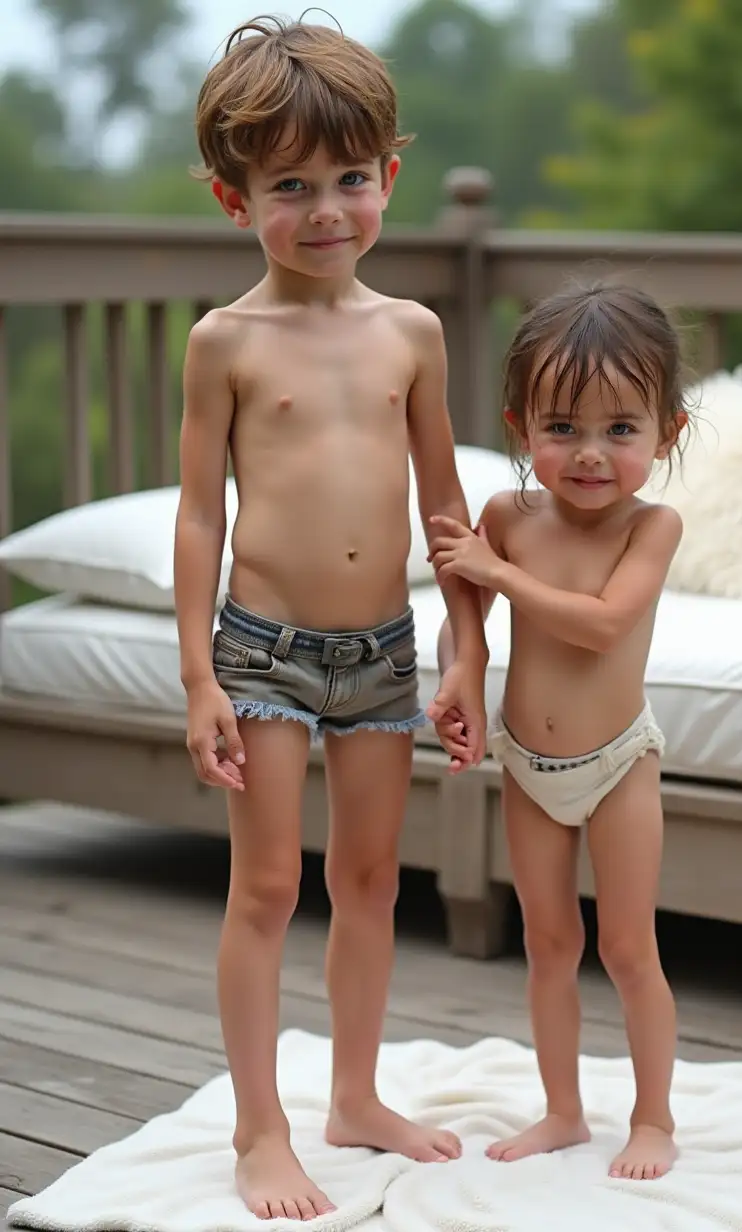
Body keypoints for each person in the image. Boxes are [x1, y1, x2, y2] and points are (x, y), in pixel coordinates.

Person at [173, 15, 489, 1222]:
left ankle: (353, 1095)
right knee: (265, 888)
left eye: (349, 181)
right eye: (289, 187)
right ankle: (262, 1127)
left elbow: (448, 507)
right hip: (262, 652)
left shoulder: (412, 332)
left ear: (387, 179)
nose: (325, 212)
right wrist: (200, 675)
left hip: (383, 654)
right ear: (231, 196)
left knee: (368, 880)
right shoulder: (225, 344)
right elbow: (200, 517)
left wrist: (465, 650)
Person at [429, 280, 690, 1181]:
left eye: (621, 430)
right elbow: (463, 611)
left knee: (625, 945)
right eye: (563, 428)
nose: (589, 455)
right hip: (526, 761)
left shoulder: (653, 525)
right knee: (548, 942)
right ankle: (564, 1111)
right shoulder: (506, 520)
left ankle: (652, 1118)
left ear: (669, 431)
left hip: (618, 762)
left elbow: (602, 623)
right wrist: (458, 671)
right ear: (520, 427)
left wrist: (496, 575)